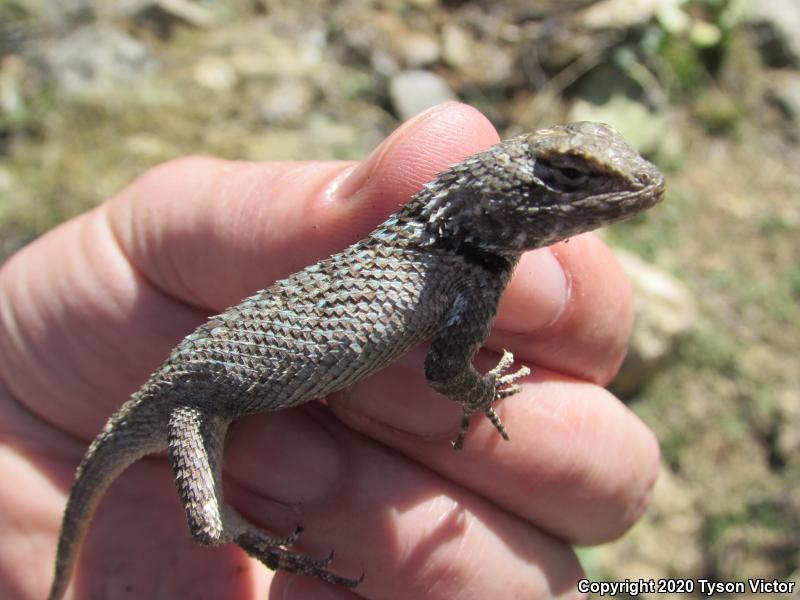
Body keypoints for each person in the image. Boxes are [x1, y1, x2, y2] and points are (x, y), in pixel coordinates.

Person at [0, 103, 659, 599]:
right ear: (501, 190)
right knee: (208, 523)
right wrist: (484, 393)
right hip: (192, 402)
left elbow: (441, 363)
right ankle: (228, 540)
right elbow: (444, 370)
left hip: (207, 384)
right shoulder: (467, 262)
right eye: (569, 175)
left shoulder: (473, 257)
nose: (612, 188)